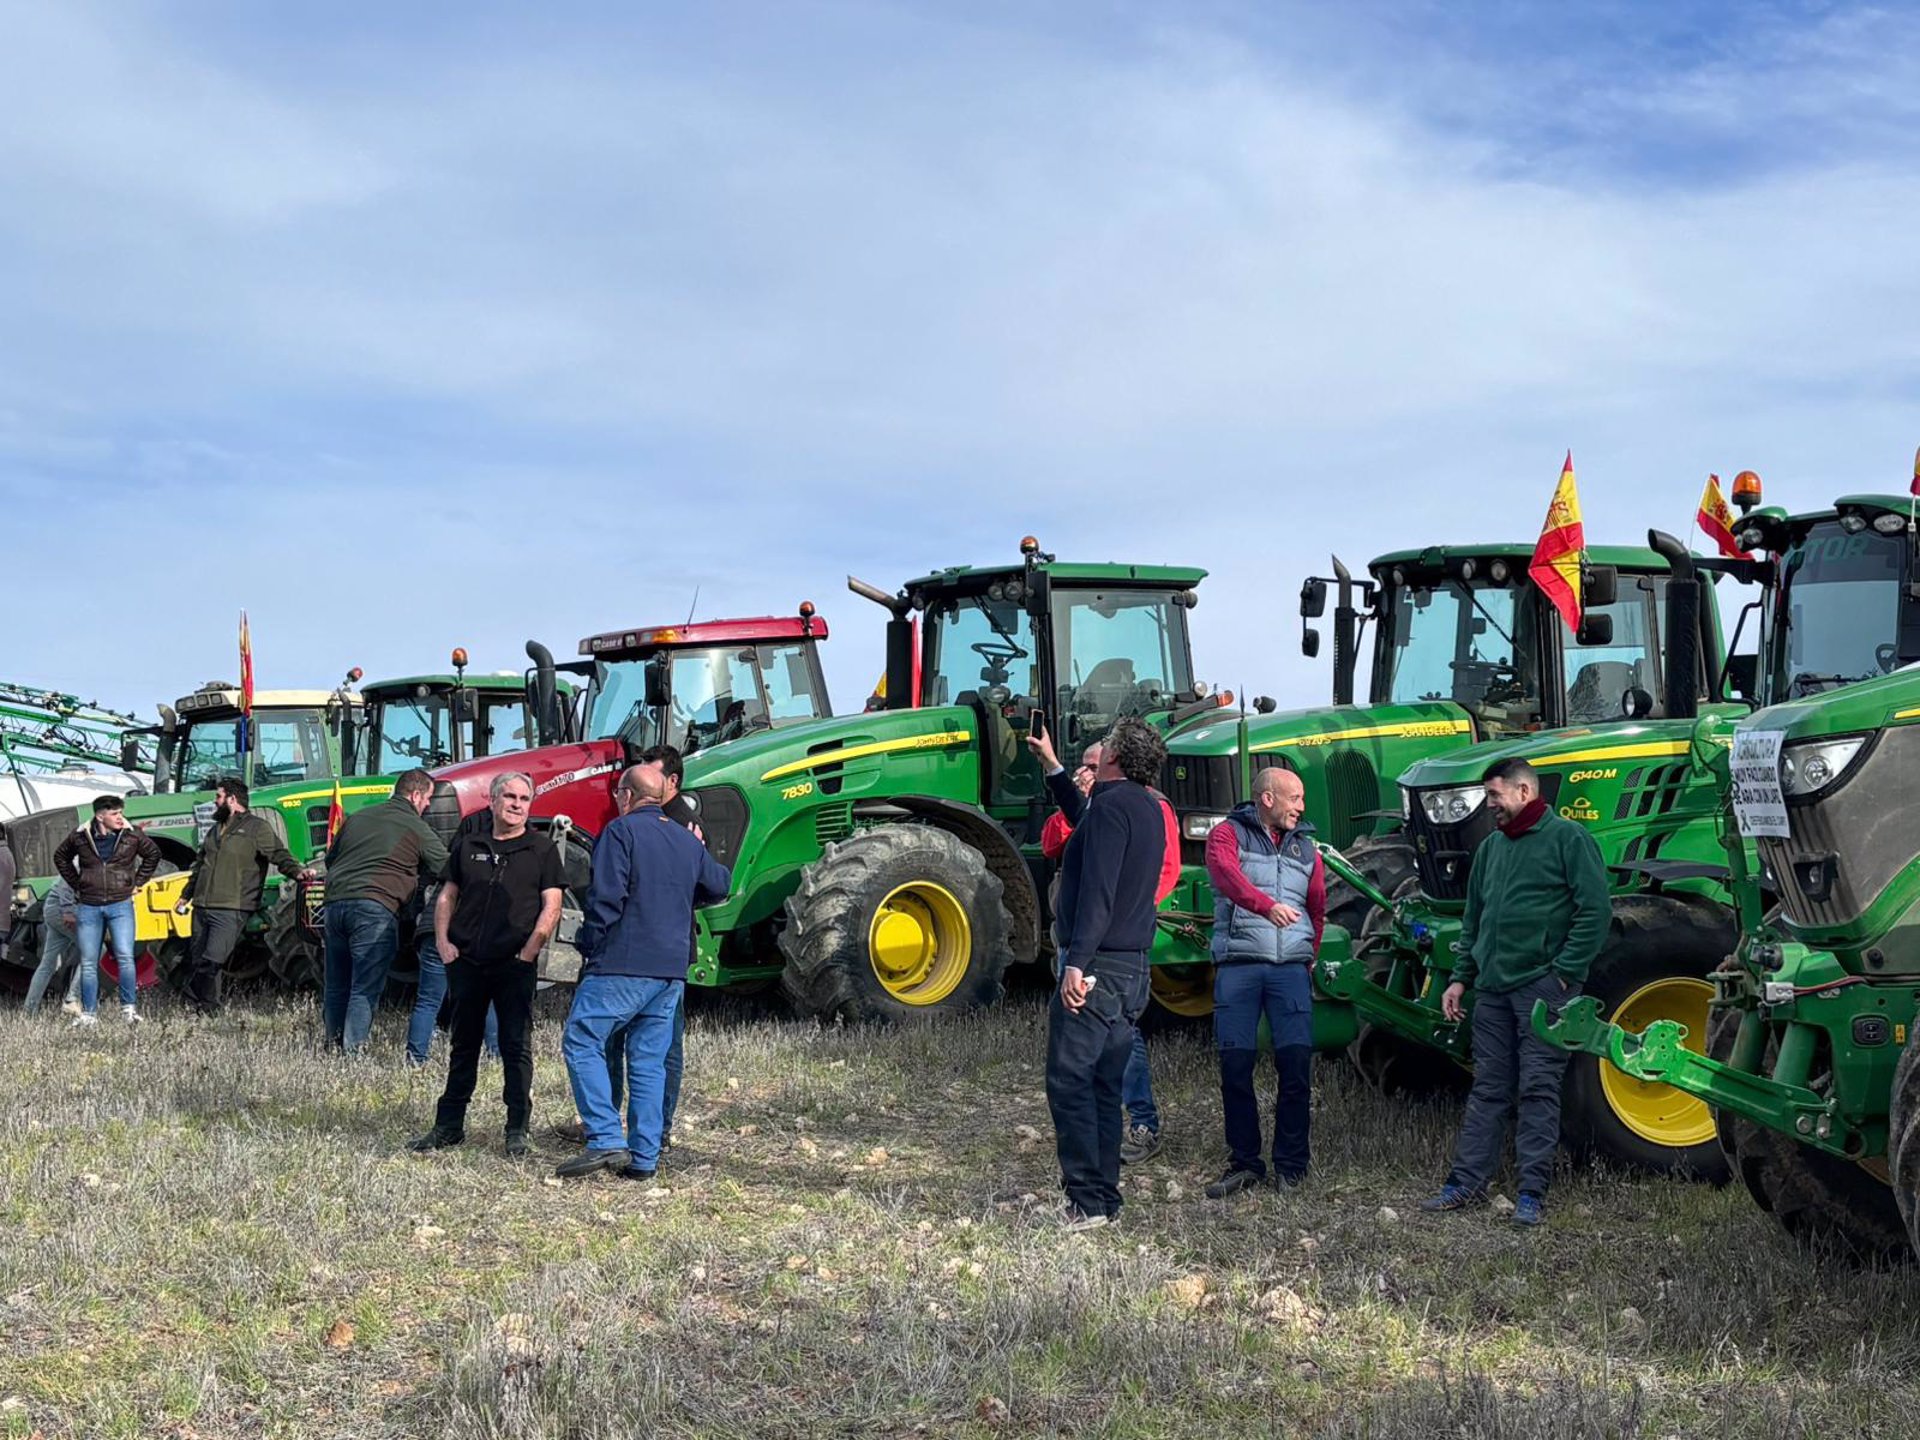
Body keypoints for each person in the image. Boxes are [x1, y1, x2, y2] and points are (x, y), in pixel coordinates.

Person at [1420, 757, 1608, 1227]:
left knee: (1539, 1090)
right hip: (1493, 990)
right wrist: (1461, 977)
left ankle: (1531, 1193)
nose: (1490, 805)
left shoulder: (1568, 840)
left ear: (1524, 792)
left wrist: (1563, 974)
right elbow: (1474, 919)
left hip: (1543, 990)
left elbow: (1595, 912)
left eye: (1495, 796)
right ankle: (1464, 1184)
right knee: (1488, 1088)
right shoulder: (1491, 850)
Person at [556, 764, 729, 1182]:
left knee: (582, 1038)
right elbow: (719, 885)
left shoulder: (620, 832)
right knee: (649, 1062)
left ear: (626, 796)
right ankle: (644, 1159)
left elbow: (607, 899)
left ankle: (603, 1138)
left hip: (624, 961)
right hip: (671, 969)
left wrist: (588, 943)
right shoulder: (685, 840)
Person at [1029, 717, 1181, 1164]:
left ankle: (1089, 1189)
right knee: (1101, 1074)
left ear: (1112, 758)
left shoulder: (1115, 809)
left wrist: (1076, 964)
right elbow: (1081, 818)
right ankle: (1103, 1185)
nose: (1088, 769)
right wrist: (1053, 766)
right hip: (1125, 962)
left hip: (1100, 963)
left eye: (1097, 758)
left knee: (1072, 1077)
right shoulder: (1141, 806)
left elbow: (1098, 892)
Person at [409, 772, 564, 1157]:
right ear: (493, 801)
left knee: (515, 1047)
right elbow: (446, 895)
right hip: (467, 963)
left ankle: (516, 1130)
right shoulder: (468, 845)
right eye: (509, 796)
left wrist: (530, 951)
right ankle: (448, 1127)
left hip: (514, 963)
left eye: (523, 798)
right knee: (463, 1046)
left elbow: (553, 905)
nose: (516, 804)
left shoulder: (542, 850)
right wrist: (444, 942)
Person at [1202, 767, 1326, 1197]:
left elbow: (1317, 908)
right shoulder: (1226, 836)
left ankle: (1291, 1166)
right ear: (1268, 798)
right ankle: (1245, 1163)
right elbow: (1225, 877)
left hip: (1290, 969)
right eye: (1296, 798)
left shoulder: (1307, 850)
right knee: (1235, 1067)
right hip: (1239, 965)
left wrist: (1308, 954)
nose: (1302, 807)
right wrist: (1266, 905)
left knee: (1295, 1067)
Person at [320, 768, 450, 1053]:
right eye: (427, 798)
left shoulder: (358, 817)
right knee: (364, 986)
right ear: (415, 795)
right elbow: (445, 867)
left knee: (336, 983)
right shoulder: (415, 825)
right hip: (375, 907)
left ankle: (332, 1045)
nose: (428, 805)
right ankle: (352, 1052)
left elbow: (331, 860)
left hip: (333, 905)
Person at [172, 778, 309, 1014]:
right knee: (193, 961)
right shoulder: (215, 830)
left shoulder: (257, 828)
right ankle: (199, 1009)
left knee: (212, 960)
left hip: (232, 906)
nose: (215, 802)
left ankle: (210, 1010)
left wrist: (298, 872)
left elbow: (278, 854)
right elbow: (200, 866)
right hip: (202, 905)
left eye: (218, 796)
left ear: (232, 800)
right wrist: (186, 895)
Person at [53, 795, 161, 1026]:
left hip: (121, 904)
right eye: (115, 814)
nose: (120, 817)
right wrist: (78, 884)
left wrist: (138, 883)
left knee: (125, 956)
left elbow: (153, 854)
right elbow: (60, 857)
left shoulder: (132, 835)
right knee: (89, 961)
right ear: (100, 815)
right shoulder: (80, 836)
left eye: (121, 812)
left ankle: (128, 1010)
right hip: (89, 906)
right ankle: (89, 1014)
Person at [407, 808, 500, 1067]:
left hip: (431, 931)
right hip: (466, 932)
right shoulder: (490, 866)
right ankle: (496, 1054)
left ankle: (415, 1060)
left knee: (428, 999)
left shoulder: (453, 861)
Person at [23, 878, 88, 1015]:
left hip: (53, 907)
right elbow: (67, 883)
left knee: (48, 963)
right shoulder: (84, 859)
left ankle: (29, 1011)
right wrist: (68, 912)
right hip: (64, 909)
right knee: (94, 951)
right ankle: (72, 999)